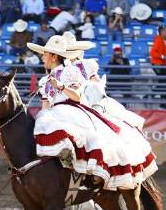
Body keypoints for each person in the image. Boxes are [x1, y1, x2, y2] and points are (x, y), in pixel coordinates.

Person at [26, 35, 156, 191]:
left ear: (54, 56)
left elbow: (78, 96)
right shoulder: (43, 81)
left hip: (72, 108)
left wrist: (60, 86)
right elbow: (45, 106)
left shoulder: (70, 72)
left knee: (92, 134)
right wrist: (41, 120)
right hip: (54, 113)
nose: (42, 57)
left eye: (45, 53)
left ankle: (94, 168)